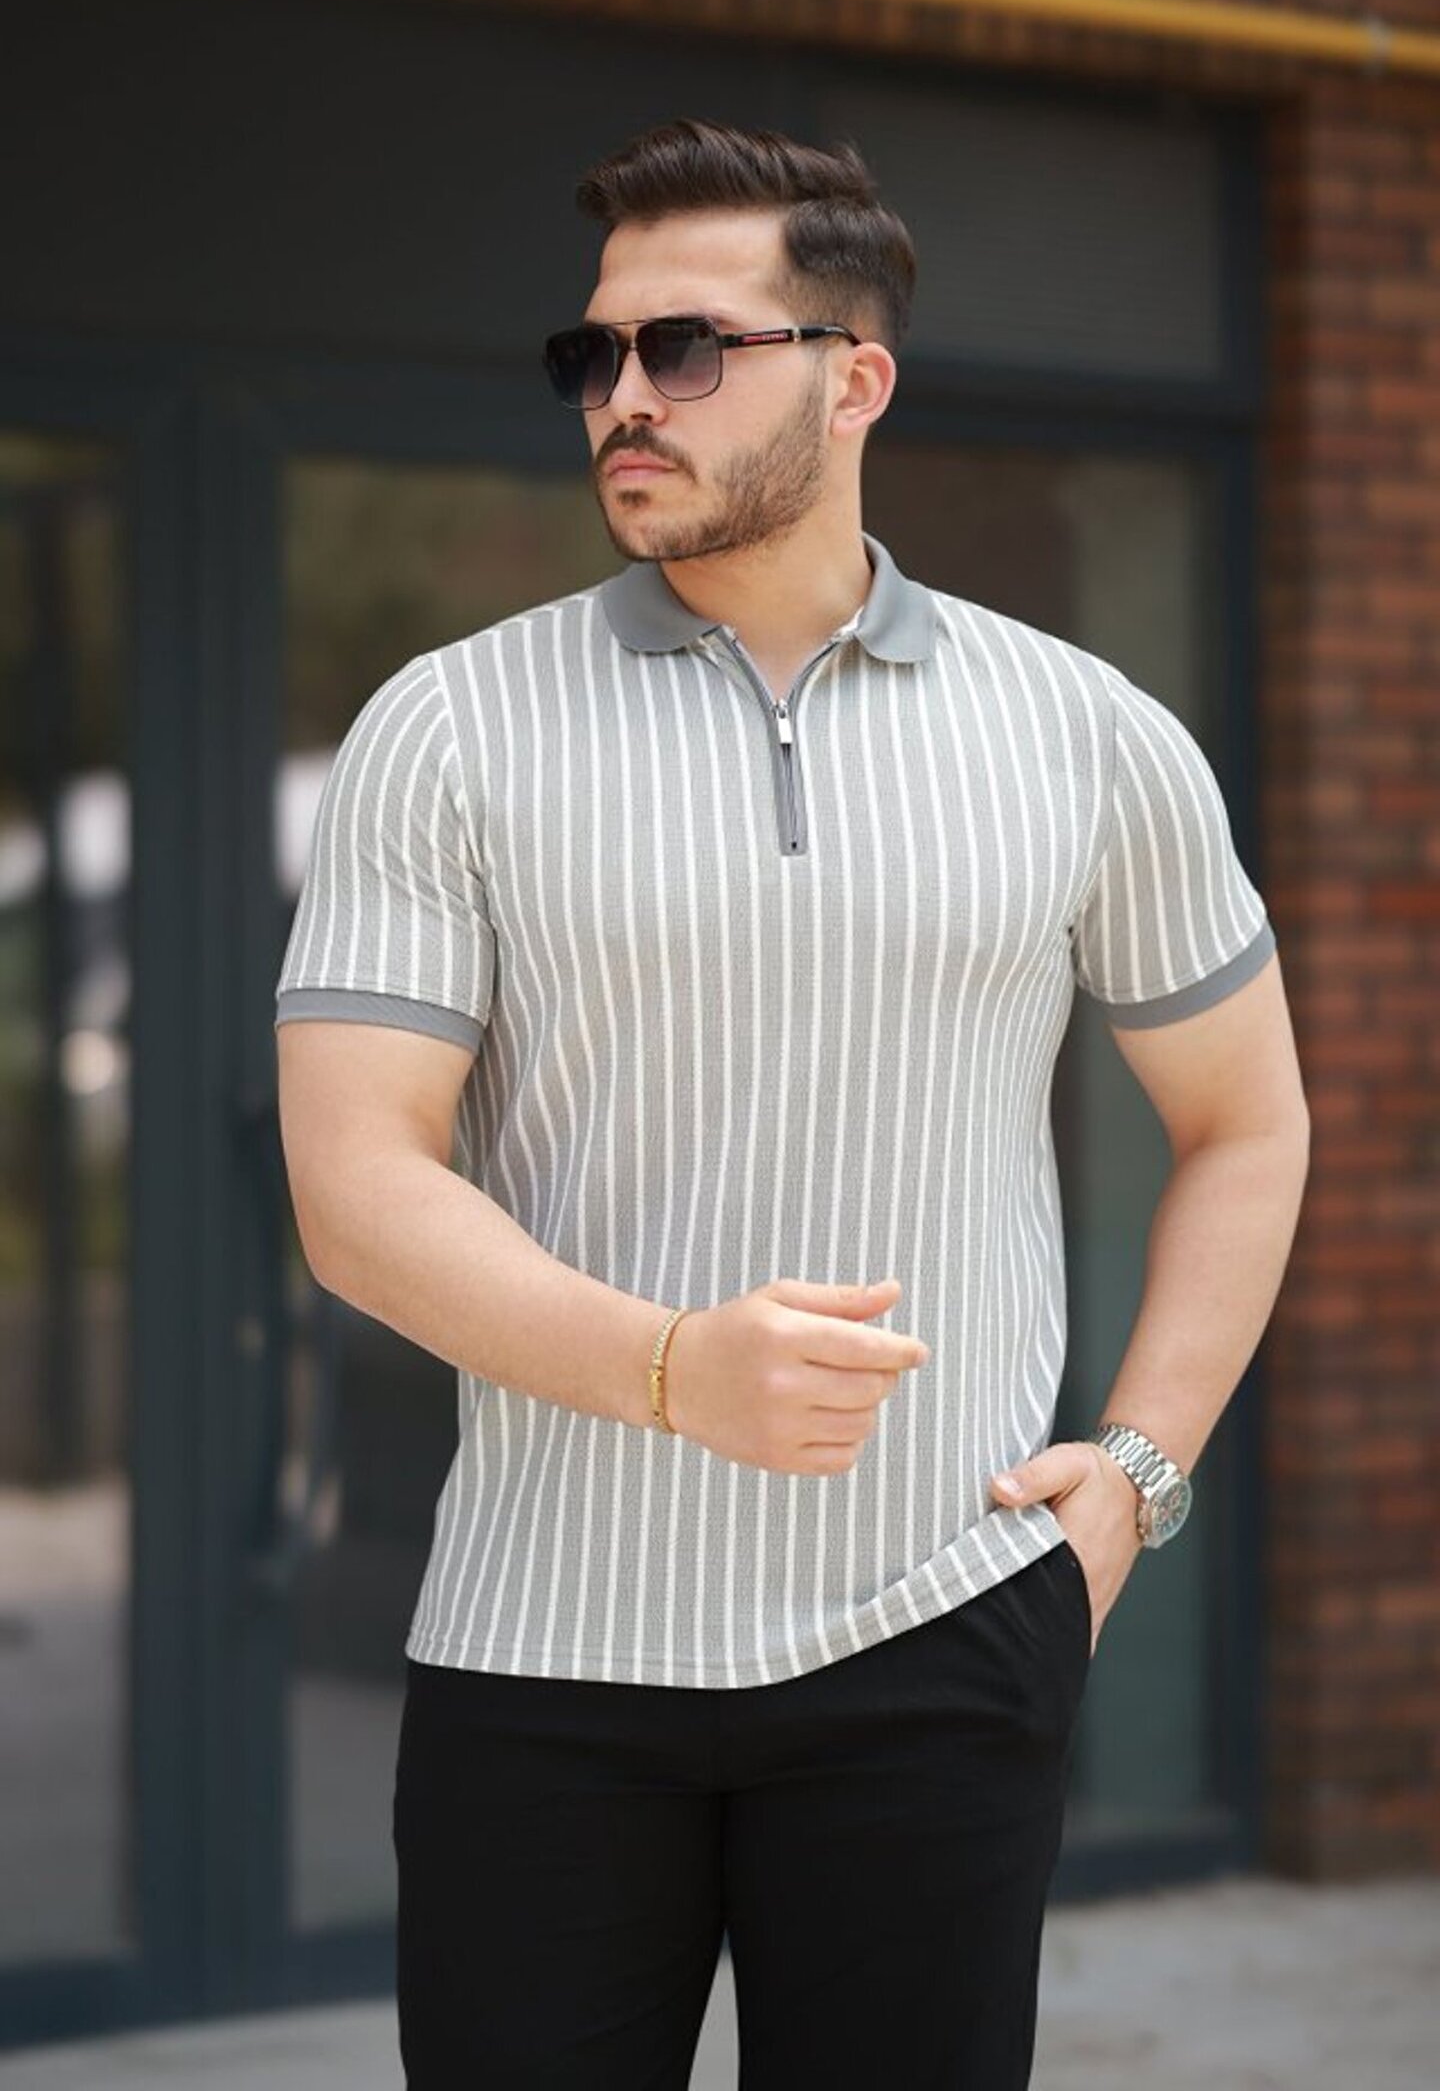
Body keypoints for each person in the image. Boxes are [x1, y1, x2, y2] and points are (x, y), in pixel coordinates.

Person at [274, 117, 1310, 2089]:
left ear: (855, 382)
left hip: (945, 1640)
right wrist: (678, 1370)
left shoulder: (1087, 733)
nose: (624, 397)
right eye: (594, 355)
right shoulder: (449, 725)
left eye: (686, 348)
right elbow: (354, 1188)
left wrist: (1135, 1479)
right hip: (542, 1656)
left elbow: (1249, 1123)